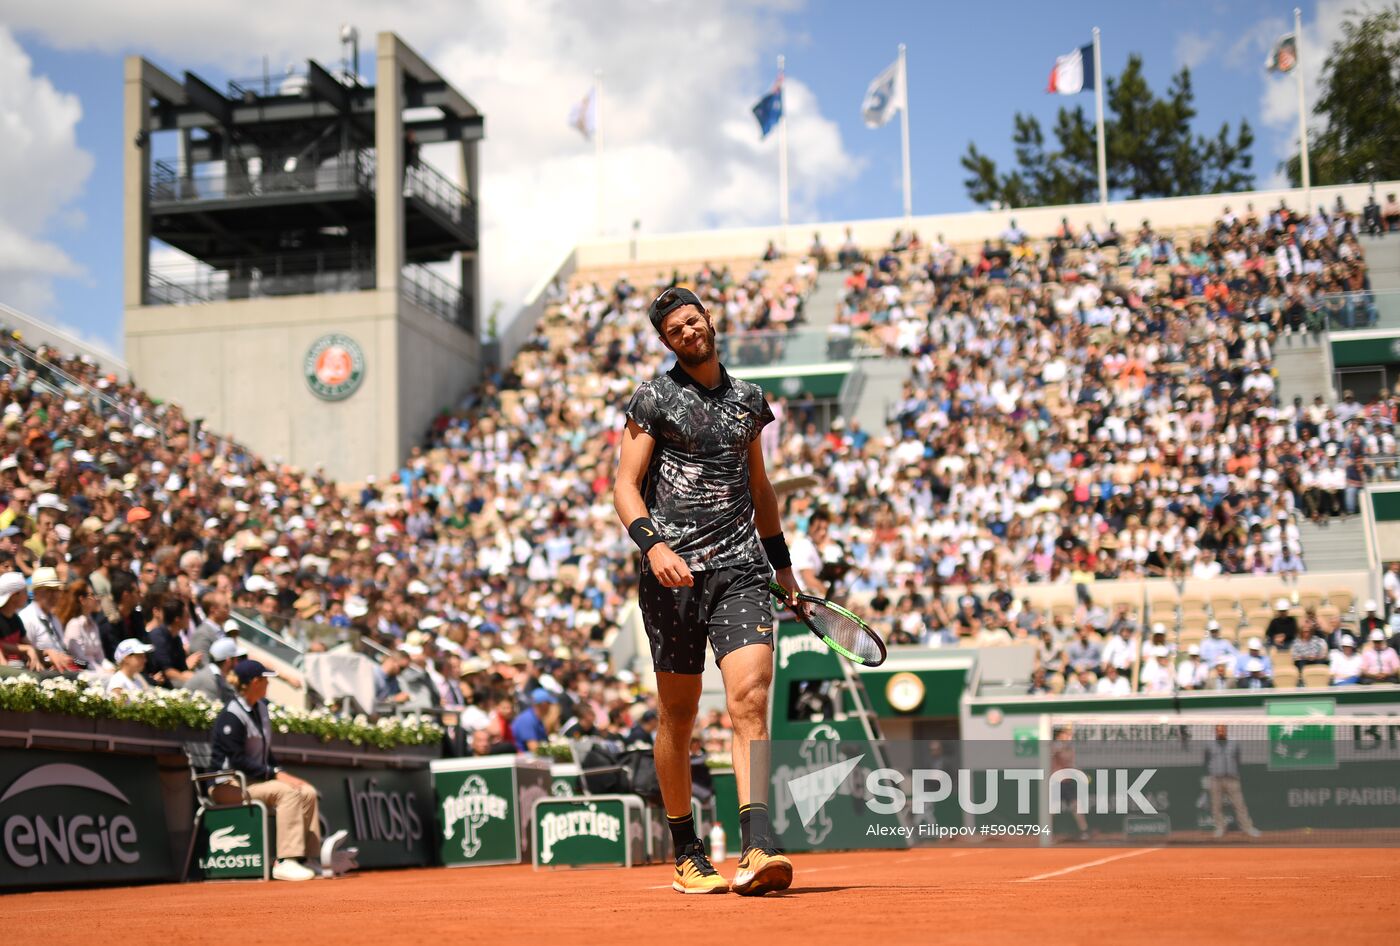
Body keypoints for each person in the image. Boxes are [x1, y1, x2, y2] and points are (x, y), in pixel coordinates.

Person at [614, 286, 794, 896]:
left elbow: (761, 488)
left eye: (692, 320)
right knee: (679, 713)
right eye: (673, 329)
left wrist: (785, 570)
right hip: (673, 576)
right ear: (666, 341)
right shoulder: (654, 397)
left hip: (742, 568)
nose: (687, 331)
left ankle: (758, 844)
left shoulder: (748, 400)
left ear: (708, 320)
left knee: (750, 695)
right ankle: (687, 849)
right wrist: (653, 545)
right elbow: (624, 485)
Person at [210, 659, 321, 882]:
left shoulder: (261, 708)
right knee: (287, 792)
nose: (268, 684)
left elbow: (265, 752)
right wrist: (276, 774)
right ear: (254, 682)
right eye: (265, 680)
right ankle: (285, 860)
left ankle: (307, 858)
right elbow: (238, 761)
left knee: (306, 791)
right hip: (227, 786)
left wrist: (278, 771)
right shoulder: (231, 715)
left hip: (253, 782)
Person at [1204, 724, 1261, 839]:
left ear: (1226, 730)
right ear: (1215, 731)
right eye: (1218, 729)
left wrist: (1235, 772)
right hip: (1216, 779)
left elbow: (1237, 758)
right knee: (1216, 805)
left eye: (1222, 729)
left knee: (1239, 804)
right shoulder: (1209, 743)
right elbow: (1206, 759)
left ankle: (1247, 828)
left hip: (1232, 779)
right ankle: (1220, 828)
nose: (1220, 731)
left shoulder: (1234, 742)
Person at [20, 566, 78, 672]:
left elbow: (63, 651)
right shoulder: (27, 618)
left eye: (56, 591)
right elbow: (25, 658)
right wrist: (50, 659)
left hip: (64, 671)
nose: (54, 595)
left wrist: (78, 663)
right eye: (49, 590)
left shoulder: (54, 619)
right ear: (36, 592)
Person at [58, 579, 108, 674]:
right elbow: (80, 661)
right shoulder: (74, 625)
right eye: (92, 595)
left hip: (97, 671)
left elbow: (101, 657)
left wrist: (111, 668)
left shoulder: (93, 625)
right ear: (82, 600)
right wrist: (103, 672)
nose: (96, 598)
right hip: (83, 673)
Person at [148, 598, 196, 686]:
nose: (189, 618)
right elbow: (168, 671)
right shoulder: (158, 637)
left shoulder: (176, 638)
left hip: (175, 681)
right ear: (177, 620)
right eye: (187, 616)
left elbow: (183, 669)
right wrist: (192, 682)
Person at [184, 636, 246, 703]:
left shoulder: (215, 676)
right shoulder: (210, 680)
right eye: (236, 659)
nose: (237, 663)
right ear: (228, 661)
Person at [0, 571, 41, 670]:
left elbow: (30, 646)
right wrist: (26, 649)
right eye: (25, 592)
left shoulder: (16, 619)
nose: (28, 596)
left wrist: (47, 652)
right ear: (14, 595)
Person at [510, 687, 556, 753]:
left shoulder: (536, 718)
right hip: (525, 761)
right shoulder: (527, 719)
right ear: (543, 704)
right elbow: (534, 748)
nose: (550, 707)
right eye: (549, 703)